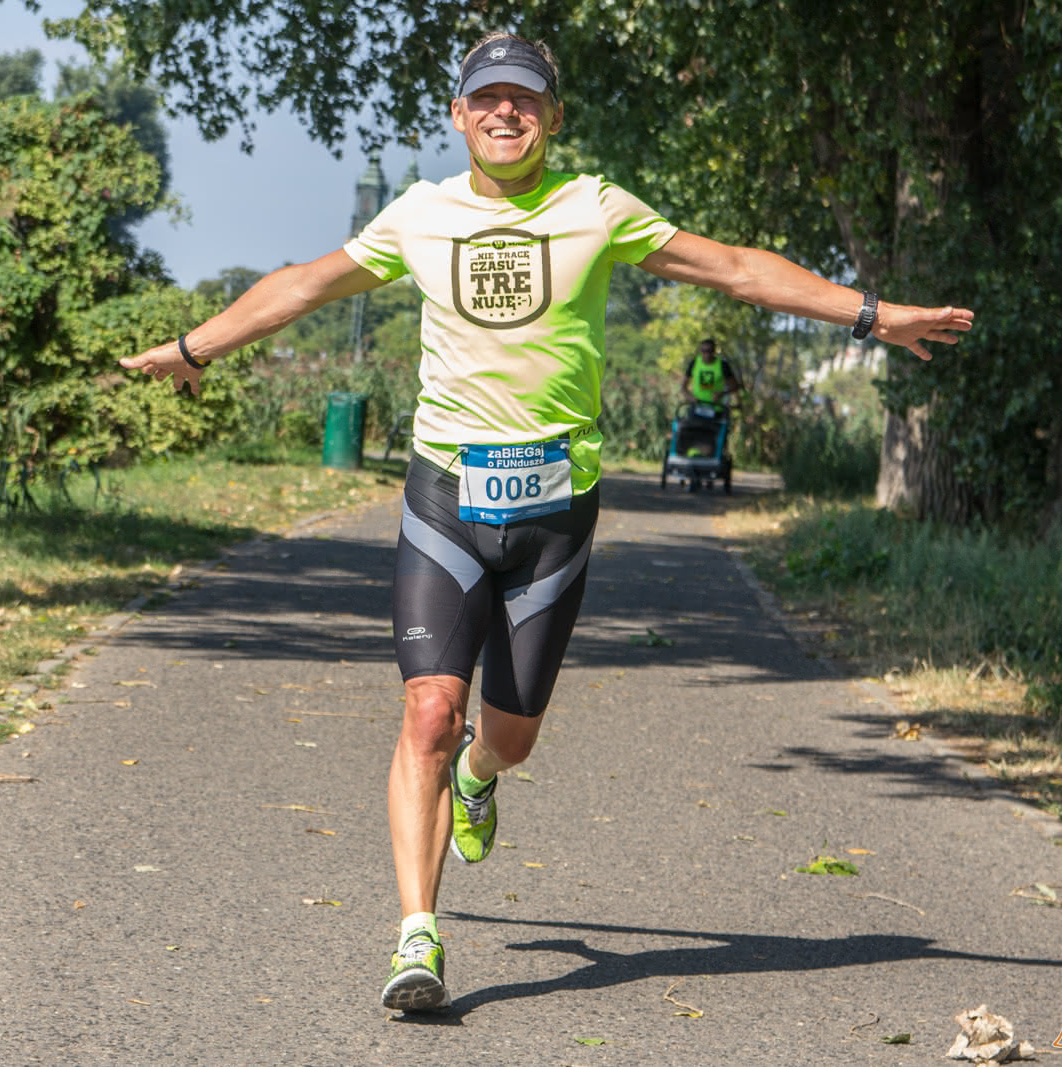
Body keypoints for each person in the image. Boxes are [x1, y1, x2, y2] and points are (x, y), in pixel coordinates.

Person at [118, 31, 974, 1012]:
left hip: (554, 514)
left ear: (552, 117)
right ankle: (416, 935)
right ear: (458, 115)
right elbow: (303, 284)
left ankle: (484, 777)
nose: (505, 112)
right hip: (444, 498)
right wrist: (196, 345)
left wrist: (872, 315)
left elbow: (735, 267)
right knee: (427, 712)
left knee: (506, 735)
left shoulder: (594, 208)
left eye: (524, 99)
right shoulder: (419, 217)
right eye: (486, 98)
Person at [682, 337, 742, 408]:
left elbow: (735, 386)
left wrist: (722, 393)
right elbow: (683, 387)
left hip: (716, 408)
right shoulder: (694, 363)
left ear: (714, 351)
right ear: (700, 351)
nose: (707, 354)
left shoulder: (722, 365)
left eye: (710, 351)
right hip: (696, 407)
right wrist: (690, 397)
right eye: (704, 351)